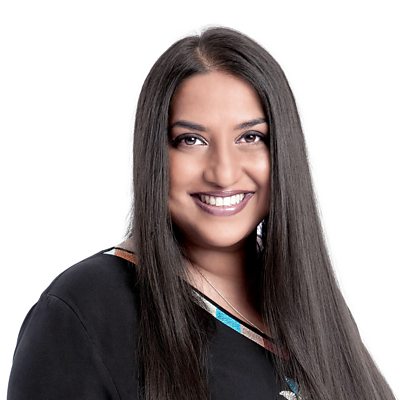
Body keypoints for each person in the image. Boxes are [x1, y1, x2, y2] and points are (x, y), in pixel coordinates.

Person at [7, 26, 396, 400]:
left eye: (250, 137)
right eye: (191, 140)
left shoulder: (309, 297)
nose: (223, 173)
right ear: (154, 155)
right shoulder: (84, 309)